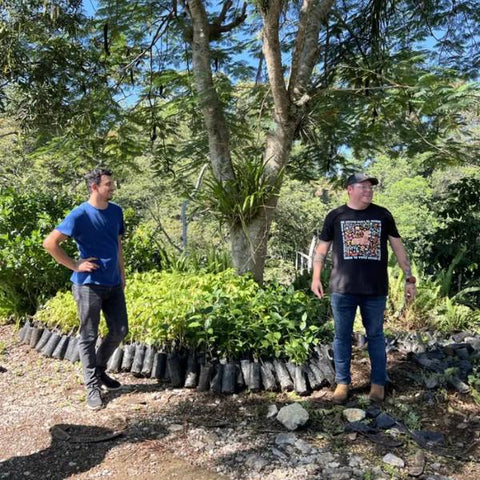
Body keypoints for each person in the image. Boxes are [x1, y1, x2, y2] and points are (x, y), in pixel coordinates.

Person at [311, 172, 416, 404]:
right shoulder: (335, 216)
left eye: (371, 187)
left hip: (375, 289)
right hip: (341, 289)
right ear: (350, 189)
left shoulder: (382, 215)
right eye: (363, 187)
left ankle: (378, 383)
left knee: (376, 336)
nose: (369, 190)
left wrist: (409, 279)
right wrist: (315, 278)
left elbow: (399, 248)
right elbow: (321, 251)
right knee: (341, 337)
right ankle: (342, 383)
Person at [43, 168, 128, 410]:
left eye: (112, 183)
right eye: (108, 184)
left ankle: (99, 370)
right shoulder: (79, 215)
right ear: (94, 187)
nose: (112, 188)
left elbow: (117, 243)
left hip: (113, 283)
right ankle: (92, 385)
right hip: (88, 286)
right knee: (88, 336)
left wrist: (122, 272)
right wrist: (75, 265)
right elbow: (50, 243)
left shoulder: (116, 211)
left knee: (120, 330)